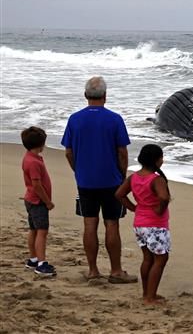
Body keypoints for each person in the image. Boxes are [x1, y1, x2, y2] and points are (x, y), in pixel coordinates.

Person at [61, 76, 137, 283]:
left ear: (86, 95)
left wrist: (79, 170)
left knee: (89, 223)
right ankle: (116, 270)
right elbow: (122, 152)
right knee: (112, 223)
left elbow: (68, 151)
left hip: (86, 180)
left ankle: (93, 270)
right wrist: (122, 175)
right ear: (105, 96)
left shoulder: (75, 119)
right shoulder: (114, 119)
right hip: (111, 179)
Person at [115, 144, 171, 305]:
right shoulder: (156, 179)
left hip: (140, 222)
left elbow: (119, 194)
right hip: (155, 224)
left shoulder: (134, 177)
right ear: (157, 160)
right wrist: (160, 210)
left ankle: (147, 293)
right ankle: (150, 296)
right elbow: (164, 197)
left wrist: (134, 208)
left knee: (148, 258)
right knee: (160, 259)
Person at [21, 126, 56, 277]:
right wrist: (47, 201)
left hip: (30, 199)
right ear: (41, 144)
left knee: (33, 229)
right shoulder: (34, 162)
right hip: (37, 201)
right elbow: (36, 184)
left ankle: (34, 258)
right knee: (42, 231)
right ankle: (41, 263)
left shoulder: (29, 157)